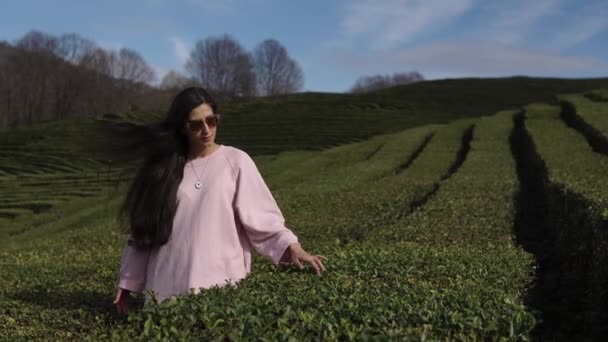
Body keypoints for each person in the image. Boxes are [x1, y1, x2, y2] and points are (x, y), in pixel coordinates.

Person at [113, 87, 327, 315]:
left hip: (220, 292)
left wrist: (292, 246)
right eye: (196, 125)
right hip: (164, 292)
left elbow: (263, 218)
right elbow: (144, 231)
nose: (206, 130)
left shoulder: (236, 161)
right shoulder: (164, 169)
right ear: (182, 128)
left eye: (211, 121)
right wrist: (127, 283)